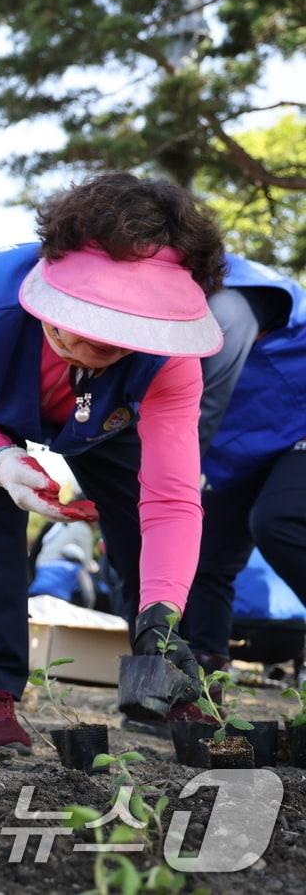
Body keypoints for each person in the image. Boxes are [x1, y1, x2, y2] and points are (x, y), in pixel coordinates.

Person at [0, 172, 226, 753]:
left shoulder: (168, 361)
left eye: (118, 334)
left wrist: (161, 611)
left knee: (142, 541)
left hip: (106, 422)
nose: (91, 344)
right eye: (81, 321)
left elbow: (170, 497)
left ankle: (166, 683)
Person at [179, 257, 306, 687]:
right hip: (244, 449)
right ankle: (205, 683)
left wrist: (176, 478)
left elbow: (206, 402)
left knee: (279, 520)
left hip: (298, 428)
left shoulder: (233, 297)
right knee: (206, 556)